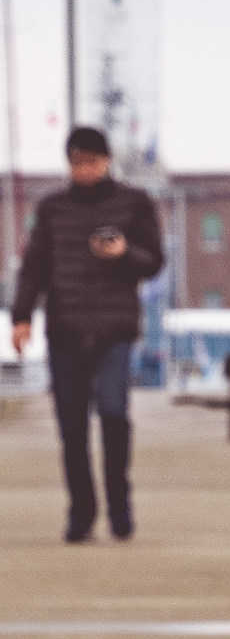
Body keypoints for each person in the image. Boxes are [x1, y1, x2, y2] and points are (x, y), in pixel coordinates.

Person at [10, 126, 165, 542]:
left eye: (92, 161)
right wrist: (22, 317)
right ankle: (81, 512)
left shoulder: (135, 203)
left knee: (114, 415)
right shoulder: (52, 209)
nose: (85, 169)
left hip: (115, 330)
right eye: (78, 162)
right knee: (71, 427)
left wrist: (124, 253)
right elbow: (35, 266)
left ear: (107, 160)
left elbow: (154, 262)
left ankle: (119, 504)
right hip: (65, 329)